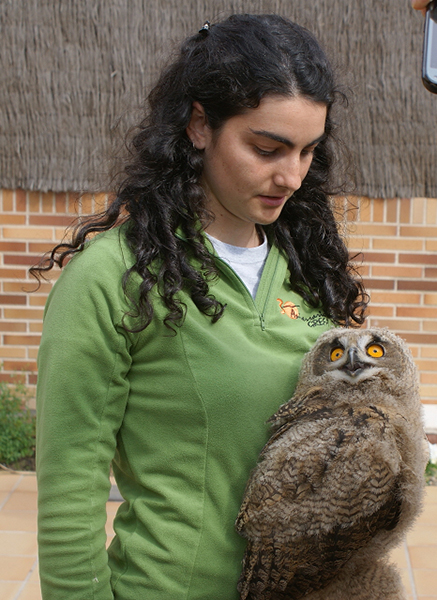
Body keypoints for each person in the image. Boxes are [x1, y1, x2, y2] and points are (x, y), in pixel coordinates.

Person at [34, 14, 367, 600]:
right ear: (197, 126)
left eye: (308, 151)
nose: (290, 175)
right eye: (266, 148)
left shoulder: (310, 273)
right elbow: (70, 490)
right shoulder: (113, 279)